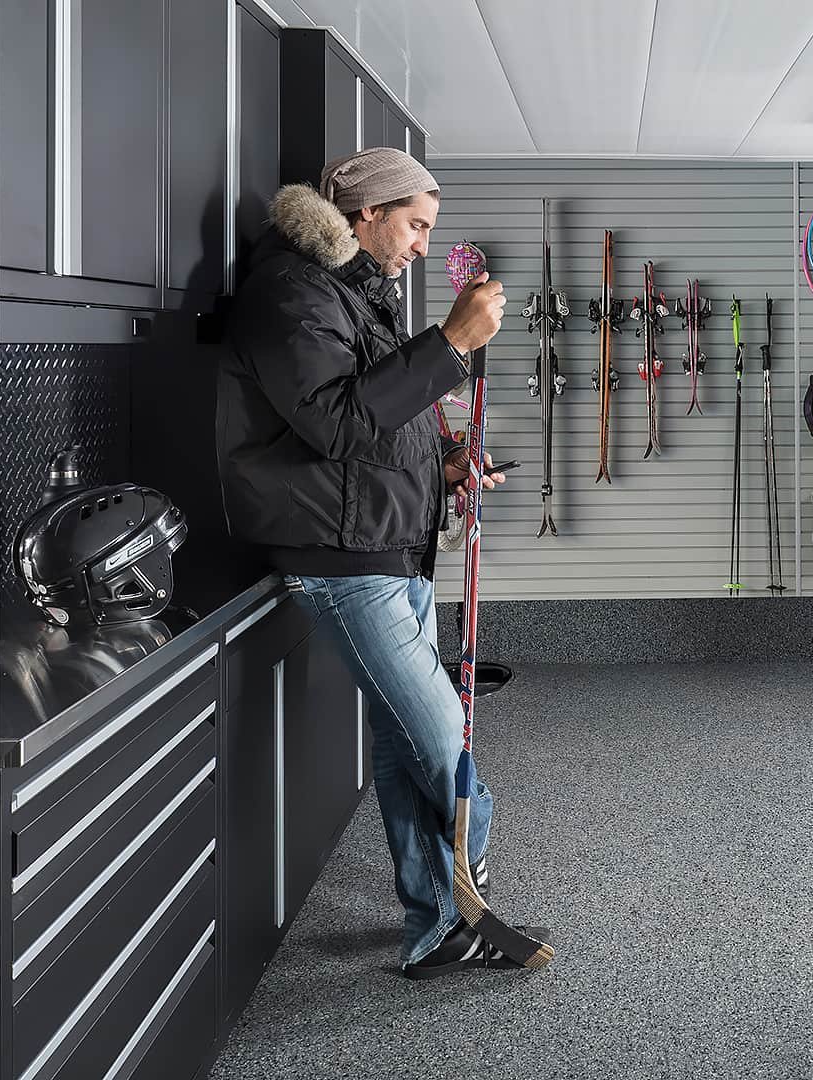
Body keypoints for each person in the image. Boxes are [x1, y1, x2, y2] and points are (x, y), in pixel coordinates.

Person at [216, 147, 550, 978]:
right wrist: (450, 342)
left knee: (406, 747)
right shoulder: (290, 294)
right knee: (441, 737)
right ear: (365, 214)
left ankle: (436, 927)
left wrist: (446, 469)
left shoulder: (350, 294)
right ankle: (469, 883)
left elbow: (380, 429)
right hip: (341, 561)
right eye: (414, 225)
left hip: (389, 549)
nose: (422, 248)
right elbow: (335, 424)